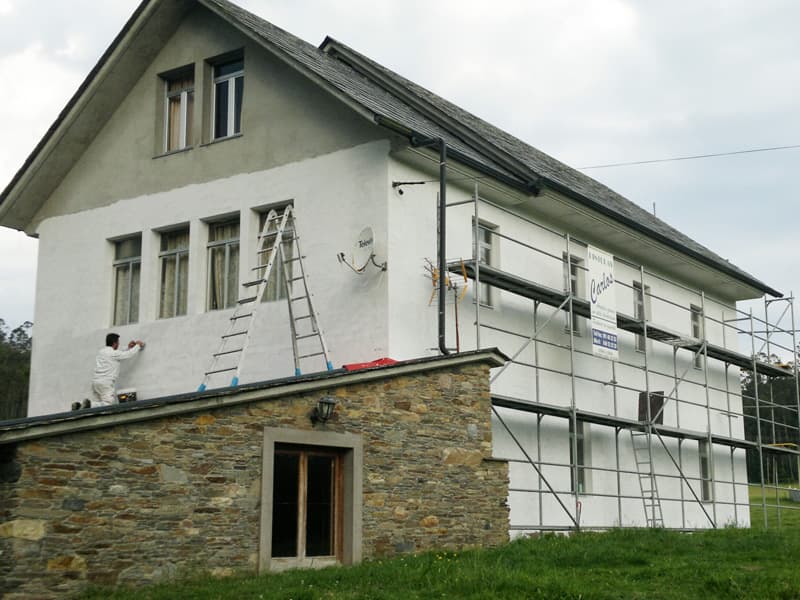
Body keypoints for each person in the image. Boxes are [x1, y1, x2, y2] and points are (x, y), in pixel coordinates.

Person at [90, 333, 145, 407]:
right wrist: (138, 345)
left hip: (95, 383)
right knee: (108, 404)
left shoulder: (101, 352)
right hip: (106, 383)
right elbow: (128, 354)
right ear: (115, 343)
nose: (119, 344)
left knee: (98, 405)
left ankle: (80, 405)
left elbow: (117, 353)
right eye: (118, 342)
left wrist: (128, 347)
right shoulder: (113, 353)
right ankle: (88, 404)